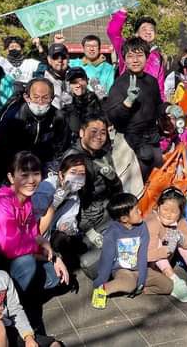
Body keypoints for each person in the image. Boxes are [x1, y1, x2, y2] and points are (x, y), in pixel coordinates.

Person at [0, 152, 69, 296]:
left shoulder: (26, 201)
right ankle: (5, 301)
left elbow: (34, 234)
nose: (31, 180)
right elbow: (10, 246)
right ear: (11, 177)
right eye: (24, 175)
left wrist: (54, 257)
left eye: (36, 173)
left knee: (55, 276)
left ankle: (18, 292)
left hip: (14, 257)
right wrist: (40, 247)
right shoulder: (1, 202)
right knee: (27, 263)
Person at [61, 116, 123, 276]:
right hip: (86, 224)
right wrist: (88, 229)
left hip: (108, 214)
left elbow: (117, 192)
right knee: (90, 266)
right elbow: (71, 202)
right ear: (82, 132)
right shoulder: (73, 159)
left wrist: (113, 179)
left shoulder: (104, 154)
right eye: (93, 131)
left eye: (103, 132)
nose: (99, 136)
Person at [0, 78, 70, 192]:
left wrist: (50, 171)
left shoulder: (58, 118)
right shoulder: (14, 116)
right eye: (36, 97)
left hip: (40, 170)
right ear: (27, 97)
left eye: (45, 98)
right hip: (8, 167)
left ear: (52, 98)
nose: (40, 102)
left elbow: (60, 149)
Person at [91, 193, 172, 309]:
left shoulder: (142, 227)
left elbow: (142, 255)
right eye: (136, 211)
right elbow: (106, 259)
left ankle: (139, 288)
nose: (140, 212)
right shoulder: (112, 232)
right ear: (124, 218)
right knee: (129, 284)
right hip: (122, 270)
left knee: (168, 286)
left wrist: (142, 281)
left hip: (140, 269)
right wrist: (99, 281)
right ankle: (103, 289)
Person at [105, 37, 166, 184]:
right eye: (130, 56)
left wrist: (169, 108)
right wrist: (128, 101)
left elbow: (157, 106)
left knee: (156, 182)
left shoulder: (151, 81)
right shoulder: (120, 84)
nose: (135, 60)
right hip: (129, 141)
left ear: (146, 57)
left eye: (139, 55)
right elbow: (113, 116)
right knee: (134, 187)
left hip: (152, 139)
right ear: (124, 60)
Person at [107, 10, 166, 100]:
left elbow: (160, 87)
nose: (148, 32)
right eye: (144, 29)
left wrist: (163, 106)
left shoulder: (158, 57)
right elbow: (113, 32)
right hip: (127, 101)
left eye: (151, 30)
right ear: (136, 33)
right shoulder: (126, 47)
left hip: (148, 105)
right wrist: (122, 12)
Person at [60, 67, 104, 143]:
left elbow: (108, 121)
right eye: (74, 82)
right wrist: (70, 106)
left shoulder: (94, 98)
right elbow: (75, 128)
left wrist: (103, 100)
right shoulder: (67, 100)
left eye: (81, 80)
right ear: (68, 85)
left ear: (87, 81)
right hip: (73, 143)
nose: (78, 85)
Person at [43, 43, 70, 109]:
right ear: (49, 59)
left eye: (63, 57)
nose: (60, 60)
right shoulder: (42, 80)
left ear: (68, 58)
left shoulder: (76, 77)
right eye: (55, 57)